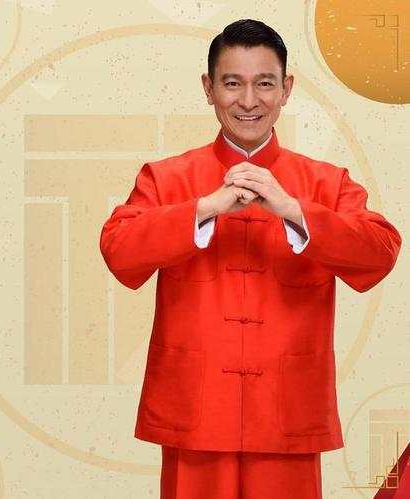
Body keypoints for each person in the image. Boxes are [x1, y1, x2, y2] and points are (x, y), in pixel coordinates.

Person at [99, 19, 402, 499]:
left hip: (289, 409)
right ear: (208, 89)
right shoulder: (166, 177)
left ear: (286, 89)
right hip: (195, 409)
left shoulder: (326, 182)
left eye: (264, 84)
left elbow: (380, 250)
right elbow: (119, 249)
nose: (248, 101)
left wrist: (293, 210)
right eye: (232, 83)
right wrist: (205, 208)